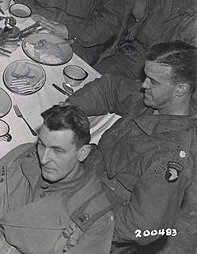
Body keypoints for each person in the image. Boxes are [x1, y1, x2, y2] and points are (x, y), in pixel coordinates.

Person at [67, 41, 196, 252]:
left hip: (102, 217)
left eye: (153, 81)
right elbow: (110, 88)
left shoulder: (170, 158)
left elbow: (144, 227)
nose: (144, 85)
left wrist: (89, 223)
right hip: (85, 177)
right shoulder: (156, 101)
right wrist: (69, 109)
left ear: (180, 89)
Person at [0, 104, 114, 254]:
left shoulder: (96, 218)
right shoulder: (23, 157)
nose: (44, 159)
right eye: (41, 145)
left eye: (57, 150)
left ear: (82, 153)